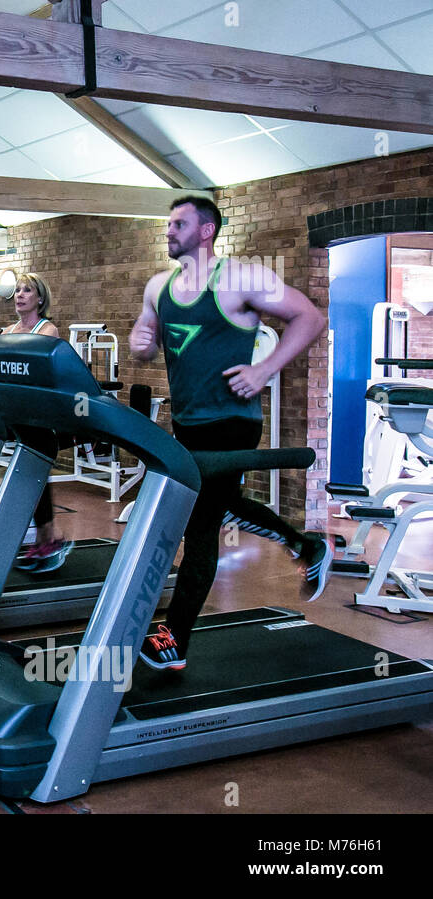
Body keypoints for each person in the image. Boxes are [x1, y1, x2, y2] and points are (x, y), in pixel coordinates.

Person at [129, 195, 332, 672]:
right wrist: (141, 343)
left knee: (201, 522)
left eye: (179, 223)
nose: (169, 231)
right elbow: (146, 339)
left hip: (233, 421)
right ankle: (305, 545)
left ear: (206, 231)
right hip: (188, 420)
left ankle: (175, 639)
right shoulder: (159, 286)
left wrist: (265, 370)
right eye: (168, 222)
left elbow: (311, 317)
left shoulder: (241, 278)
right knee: (214, 506)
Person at [0, 273, 72, 572]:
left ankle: (47, 538)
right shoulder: (8, 330)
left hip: (40, 416)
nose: (19, 295)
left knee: (33, 473)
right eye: (17, 290)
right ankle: (46, 538)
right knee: (29, 474)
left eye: (27, 290)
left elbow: (27, 371)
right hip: (15, 413)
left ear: (40, 299)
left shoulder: (48, 330)